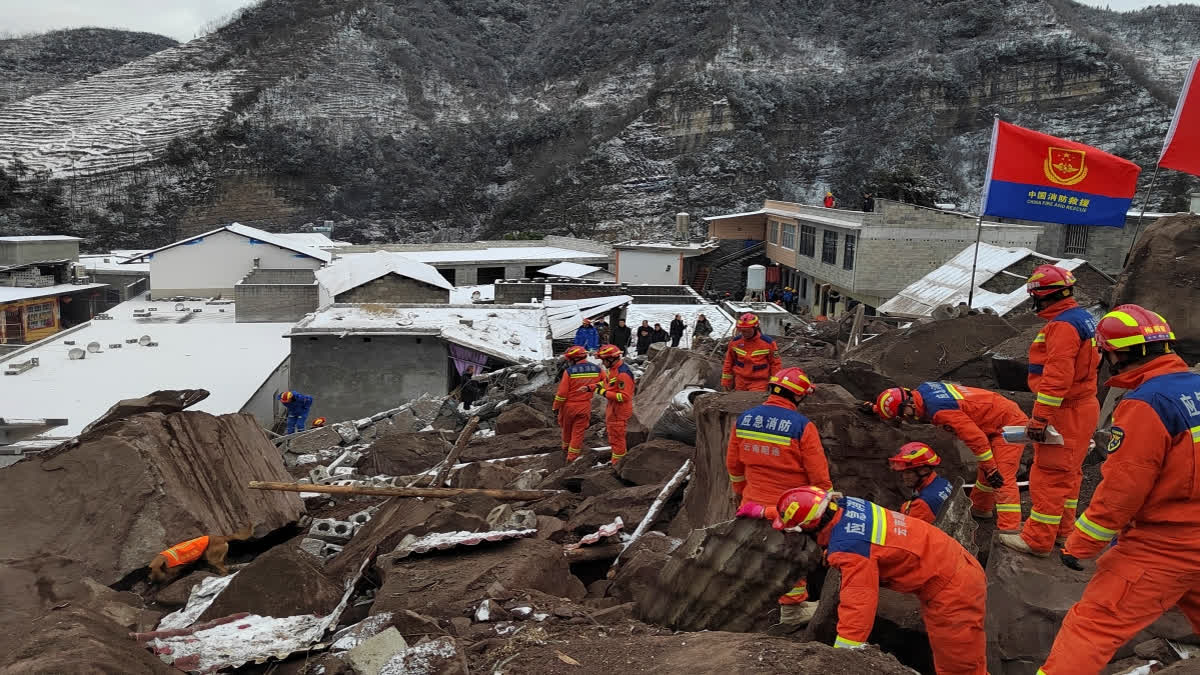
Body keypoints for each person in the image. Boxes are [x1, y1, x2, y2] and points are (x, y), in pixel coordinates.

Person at [1039, 305, 1200, 675]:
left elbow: (1122, 491)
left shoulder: (1146, 404)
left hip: (1163, 547)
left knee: (1092, 627)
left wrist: (1080, 546)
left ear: (1117, 353)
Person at [772, 487, 988, 675]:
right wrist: (762, 510)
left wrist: (842, 655)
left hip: (953, 586)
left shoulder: (850, 548)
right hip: (948, 562)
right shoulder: (846, 506)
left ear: (810, 527)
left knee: (959, 668)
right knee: (961, 660)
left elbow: (858, 603)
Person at [999, 265, 1100, 558]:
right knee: (1069, 474)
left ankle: (1037, 539)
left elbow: (1057, 377)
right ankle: (1061, 532)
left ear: (1041, 296)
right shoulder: (1083, 318)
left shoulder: (1062, 327)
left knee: (1049, 475)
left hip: (1065, 411)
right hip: (1083, 407)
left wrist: (1040, 417)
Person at [727, 368, 829, 625]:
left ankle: (751, 603)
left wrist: (743, 495)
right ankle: (792, 611)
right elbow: (818, 477)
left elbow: (734, 466)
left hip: (752, 503)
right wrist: (826, 507)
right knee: (792, 558)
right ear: (798, 397)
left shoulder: (745, 419)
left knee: (757, 553)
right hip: (792, 509)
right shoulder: (802, 427)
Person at [870, 382, 1024, 531]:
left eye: (902, 414)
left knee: (1001, 476)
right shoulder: (922, 391)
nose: (904, 419)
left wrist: (991, 468)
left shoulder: (941, 411)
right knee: (986, 472)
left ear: (908, 404)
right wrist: (877, 409)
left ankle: (1009, 530)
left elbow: (976, 438)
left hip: (1008, 424)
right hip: (994, 414)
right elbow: (897, 402)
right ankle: (980, 509)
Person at [586, 345, 635, 465]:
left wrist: (603, 392)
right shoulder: (613, 370)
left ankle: (617, 464)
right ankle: (617, 461)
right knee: (614, 439)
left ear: (611, 359)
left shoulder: (623, 374)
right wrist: (591, 387)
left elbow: (624, 396)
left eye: (604, 360)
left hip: (619, 412)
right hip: (613, 410)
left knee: (617, 439)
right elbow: (607, 383)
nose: (602, 363)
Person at [552, 346, 602, 462]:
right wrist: (592, 387)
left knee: (566, 429)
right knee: (578, 432)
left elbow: (562, 394)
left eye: (569, 359)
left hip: (569, 406)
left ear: (574, 359)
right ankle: (572, 457)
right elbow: (606, 382)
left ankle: (565, 450)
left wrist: (556, 407)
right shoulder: (597, 369)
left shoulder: (569, 372)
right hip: (585, 405)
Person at [889, 442, 953, 524]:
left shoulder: (921, 504)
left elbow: (908, 532)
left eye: (908, 472)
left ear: (924, 470)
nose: (904, 477)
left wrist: (905, 508)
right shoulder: (943, 483)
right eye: (903, 472)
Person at [722, 313, 781, 391]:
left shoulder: (768, 343)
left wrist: (775, 383)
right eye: (742, 331)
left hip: (759, 382)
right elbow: (729, 362)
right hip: (740, 381)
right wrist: (726, 381)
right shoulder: (735, 342)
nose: (744, 333)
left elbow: (775, 364)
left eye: (747, 331)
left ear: (755, 328)